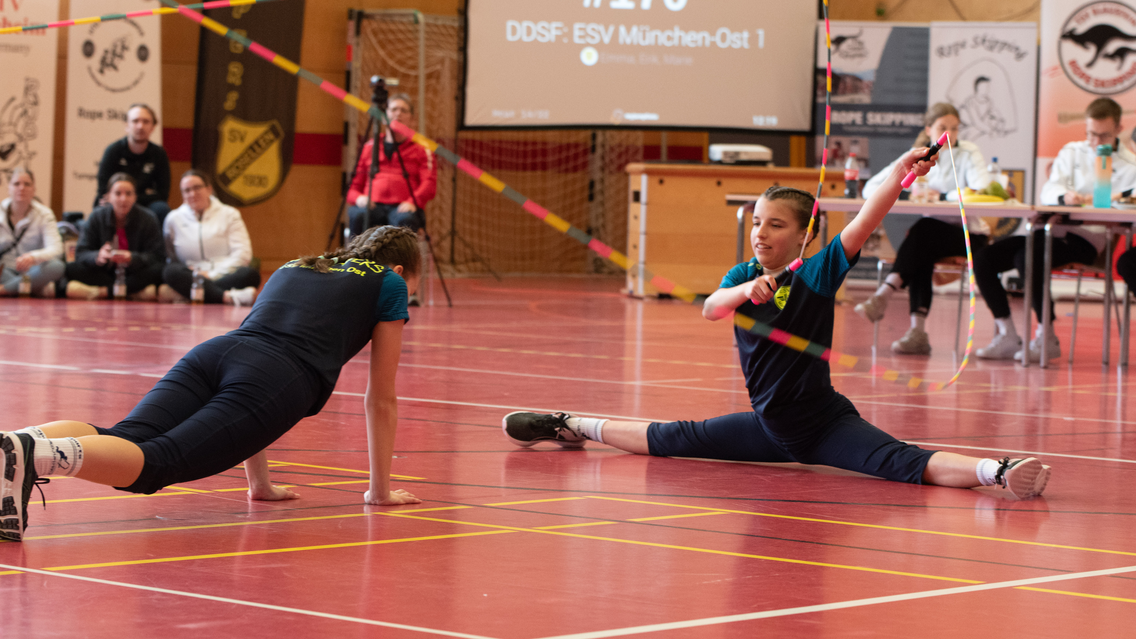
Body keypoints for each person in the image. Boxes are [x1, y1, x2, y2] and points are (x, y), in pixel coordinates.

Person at [503, 151, 1051, 501]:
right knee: (669, 439)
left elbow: (868, 218)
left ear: (804, 234)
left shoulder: (819, 271)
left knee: (899, 462)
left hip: (822, 426)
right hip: (769, 427)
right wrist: (748, 290)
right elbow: (711, 307)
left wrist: (905, 173)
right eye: (757, 222)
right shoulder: (742, 275)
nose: (761, 233)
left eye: (776, 225)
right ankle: (570, 424)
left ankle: (998, 471)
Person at [0, 225, 423, 542]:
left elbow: (259, 349)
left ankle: (15, 443)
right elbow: (380, 398)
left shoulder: (299, 265)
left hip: (216, 352)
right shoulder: (389, 283)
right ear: (402, 270)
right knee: (156, 463)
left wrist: (259, 484)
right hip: (277, 373)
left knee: (125, 436)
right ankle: (35, 455)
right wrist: (379, 492)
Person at [976, 97, 1136, 362]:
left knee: (1028, 257)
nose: (1096, 142)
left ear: (1119, 129)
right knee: (984, 258)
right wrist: (1065, 197)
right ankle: (1006, 333)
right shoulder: (1072, 151)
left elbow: (1127, 208)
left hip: (1085, 239)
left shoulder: (1131, 166)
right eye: (1091, 134)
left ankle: (1046, 336)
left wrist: (1103, 202)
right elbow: (1050, 189)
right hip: (1049, 230)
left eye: (1104, 136)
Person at [855, 103, 992, 355]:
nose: (949, 134)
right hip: (932, 238)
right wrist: (908, 191)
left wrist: (942, 196)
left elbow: (981, 188)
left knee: (923, 231)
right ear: (929, 130)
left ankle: (885, 293)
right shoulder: (918, 155)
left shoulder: (968, 152)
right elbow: (871, 188)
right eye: (942, 128)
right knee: (922, 245)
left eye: (954, 128)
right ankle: (917, 333)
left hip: (970, 235)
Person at [161, 170, 260, 306]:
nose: (192, 194)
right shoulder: (173, 219)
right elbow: (171, 257)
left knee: (250, 274)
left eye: (197, 188)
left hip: (223, 273)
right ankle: (227, 296)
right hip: (190, 275)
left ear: (209, 189)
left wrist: (212, 275)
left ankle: (194, 294)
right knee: (170, 271)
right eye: (187, 190)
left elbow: (243, 254)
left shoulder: (230, 214)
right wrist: (193, 274)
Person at [345, 93, 437, 238]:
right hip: (372, 206)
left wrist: (413, 202)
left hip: (402, 208)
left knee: (405, 221)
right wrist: (359, 198)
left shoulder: (422, 148)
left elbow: (429, 184)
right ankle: (357, 254)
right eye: (393, 109)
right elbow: (352, 188)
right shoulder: (369, 147)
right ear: (384, 117)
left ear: (412, 119)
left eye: (403, 110)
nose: (398, 113)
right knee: (358, 215)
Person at [65, 173, 165, 301]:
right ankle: (129, 292)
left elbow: (158, 256)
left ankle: (104, 292)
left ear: (135, 197)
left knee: (161, 270)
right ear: (108, 197)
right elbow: (81, 253)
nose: (123, 199)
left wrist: (132, 258)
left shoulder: (148, 218)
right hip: (105, 273)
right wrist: (97, 256)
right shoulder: (96, 217)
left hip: (134, 273)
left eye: (128, 194)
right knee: (70, 268)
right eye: (118, 194)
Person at [94, 104, 172, 226]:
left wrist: (132, 198)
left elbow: (163, 194)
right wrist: (123, 198)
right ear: (127, 125)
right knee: (102, 206)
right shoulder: (113, 151)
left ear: (153, 127)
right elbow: (104, 191)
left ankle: (154, 239)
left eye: (146, 121)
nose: (140, 126)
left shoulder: (159, 154)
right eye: (135, 121)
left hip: (146, 205)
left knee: (161, 208)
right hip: (117, 201)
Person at [0, 168, 64, 297]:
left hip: (33, 272)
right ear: (8, 188)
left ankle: (6, 290)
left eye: (27, 184)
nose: (21, 188)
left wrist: (33, 257)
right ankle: (32, 289)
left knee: (57, 266)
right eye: (16, 184)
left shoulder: (44, 214)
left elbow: (57, 250)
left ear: (34, 189)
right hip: (4, 271)